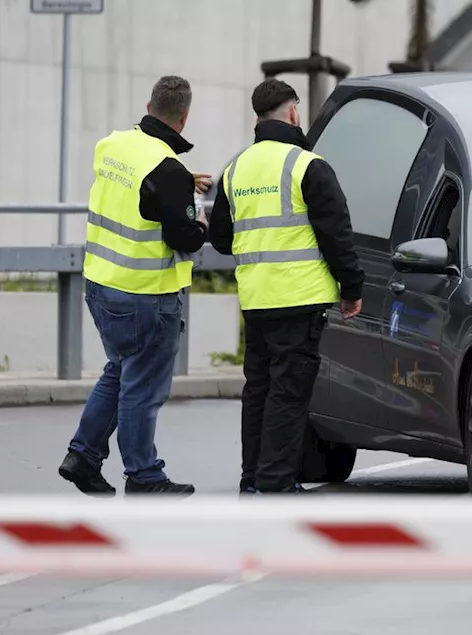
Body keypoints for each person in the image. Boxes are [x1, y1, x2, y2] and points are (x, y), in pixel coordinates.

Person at [208, 78, 365, 495]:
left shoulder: (236, 168)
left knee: (257, 390)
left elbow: (221, 239)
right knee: (288, 395)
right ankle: (277, 484)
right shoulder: (307, 165)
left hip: (257, 299)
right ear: (293, 112)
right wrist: (352, 288)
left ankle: (252, 480)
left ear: (257, 116)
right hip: (300, 299)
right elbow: (337, 234)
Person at [58, 75, 212, 497]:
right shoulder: (169, 170)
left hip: (101, 285)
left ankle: (83, 455)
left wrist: (181, 184)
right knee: (143, 388)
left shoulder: (112, 146)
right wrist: (200, 221)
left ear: (149, 105)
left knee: (121, 371)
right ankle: (143, 475)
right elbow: (183, 236)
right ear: (184, 118)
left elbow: (142, 189)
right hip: (146, 295)